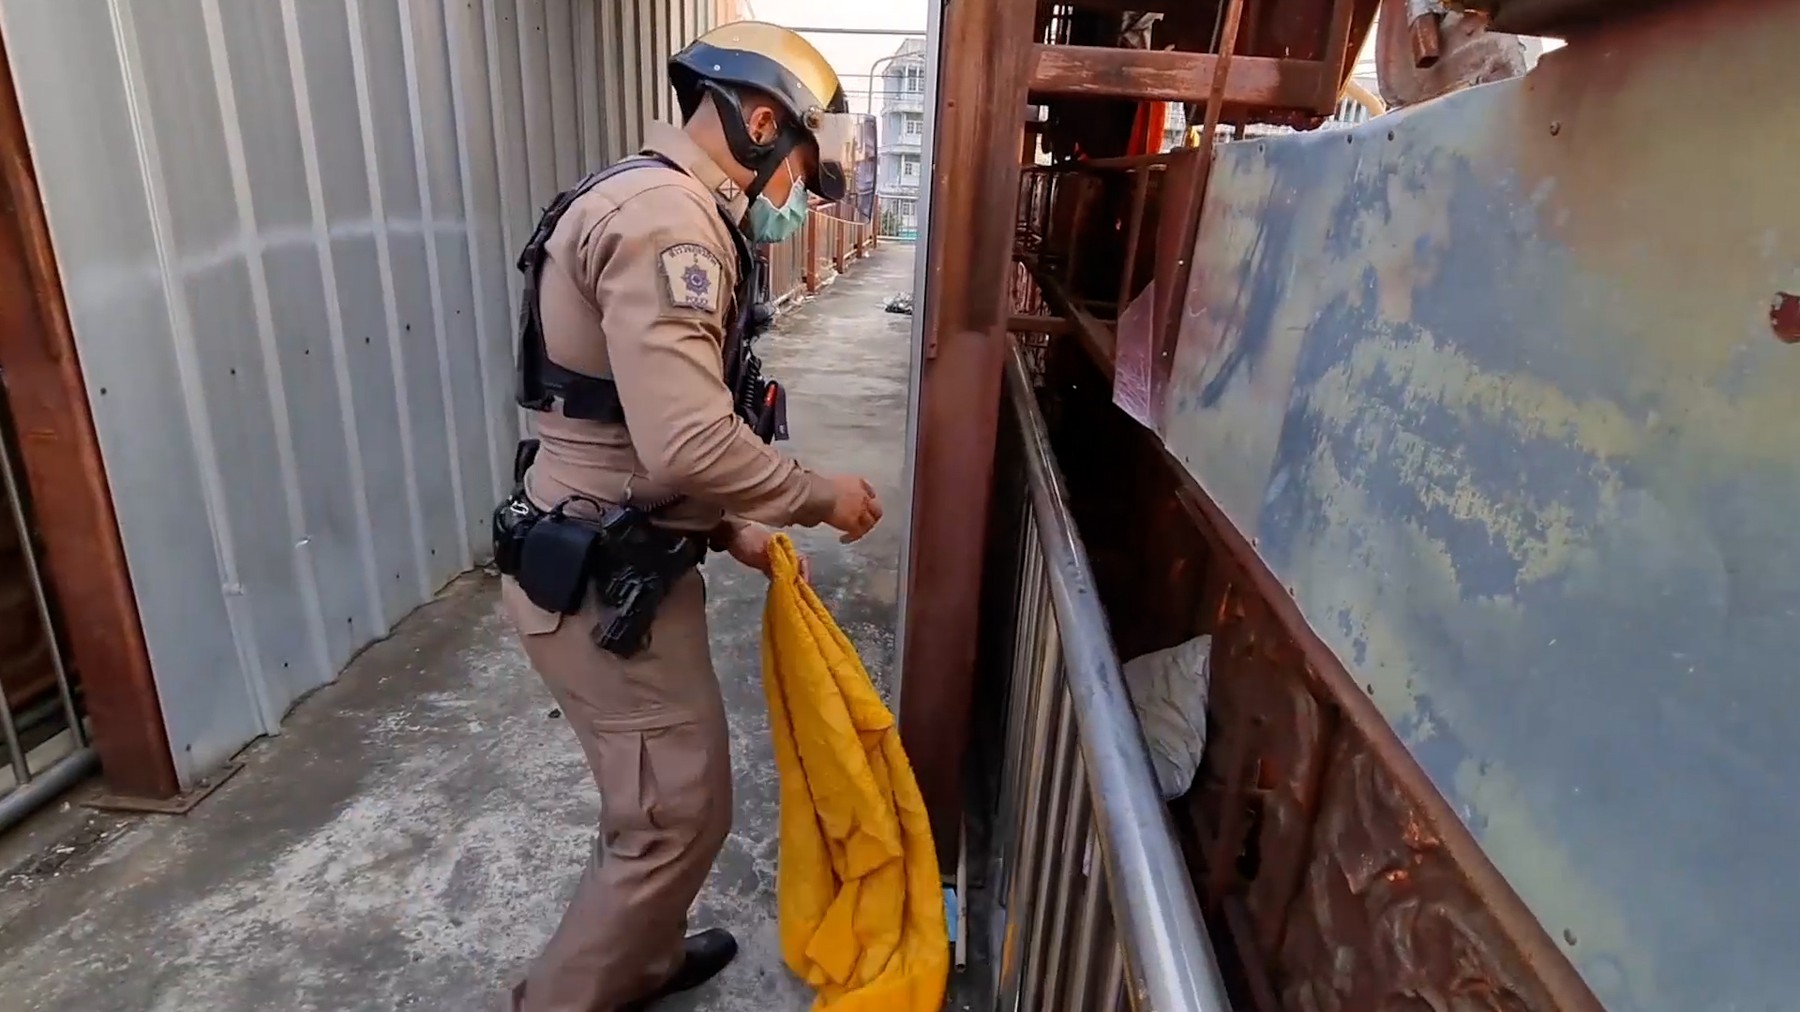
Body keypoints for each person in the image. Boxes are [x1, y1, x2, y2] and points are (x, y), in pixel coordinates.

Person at [493, 22, 883, 1012]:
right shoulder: (671, 224)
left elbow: (624, 429)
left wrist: (724, 528)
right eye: (802, 171)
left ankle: (644, 961)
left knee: (664, 800)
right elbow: (686, 443)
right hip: (603, 581)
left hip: (618, 550)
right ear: (763, 124)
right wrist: (819, 496)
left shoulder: (650, 198)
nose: (798, 199)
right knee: (671, 820)